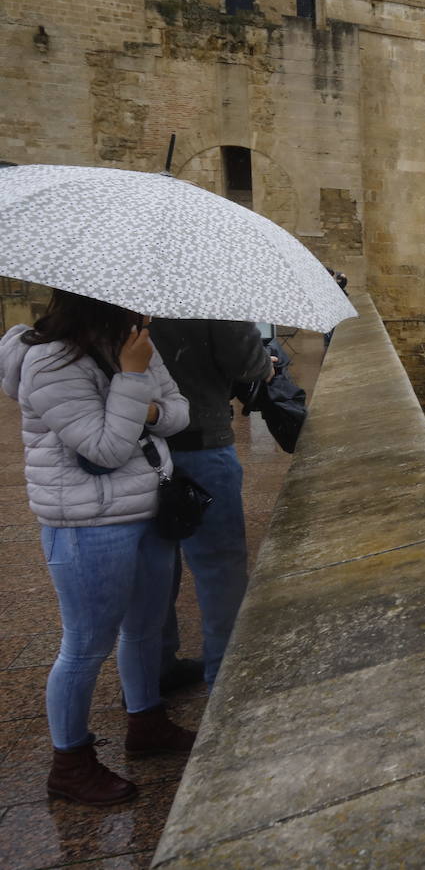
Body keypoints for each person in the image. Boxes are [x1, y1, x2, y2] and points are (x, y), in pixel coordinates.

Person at [1, 291, 196, 806]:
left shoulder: (132, 346)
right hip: (89, 523)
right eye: (135, 303)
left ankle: (146, 722)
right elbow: (106, 449)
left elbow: (180, 414)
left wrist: (144, 399)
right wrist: (133, 380)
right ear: (102, 304)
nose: (147, 313)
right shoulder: (48, 361)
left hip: (150, 507)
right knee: (86, 645)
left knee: (145, 630)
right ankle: (69, 762)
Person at [147, 318, 273, 690]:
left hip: (138, 449)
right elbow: (246, 363)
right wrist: (266, 364)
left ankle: (152, 671)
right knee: (219, 568)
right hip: (200, 441)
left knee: (155, 567)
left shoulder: (117, 284)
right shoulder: (209, 286)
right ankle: (226, 678)